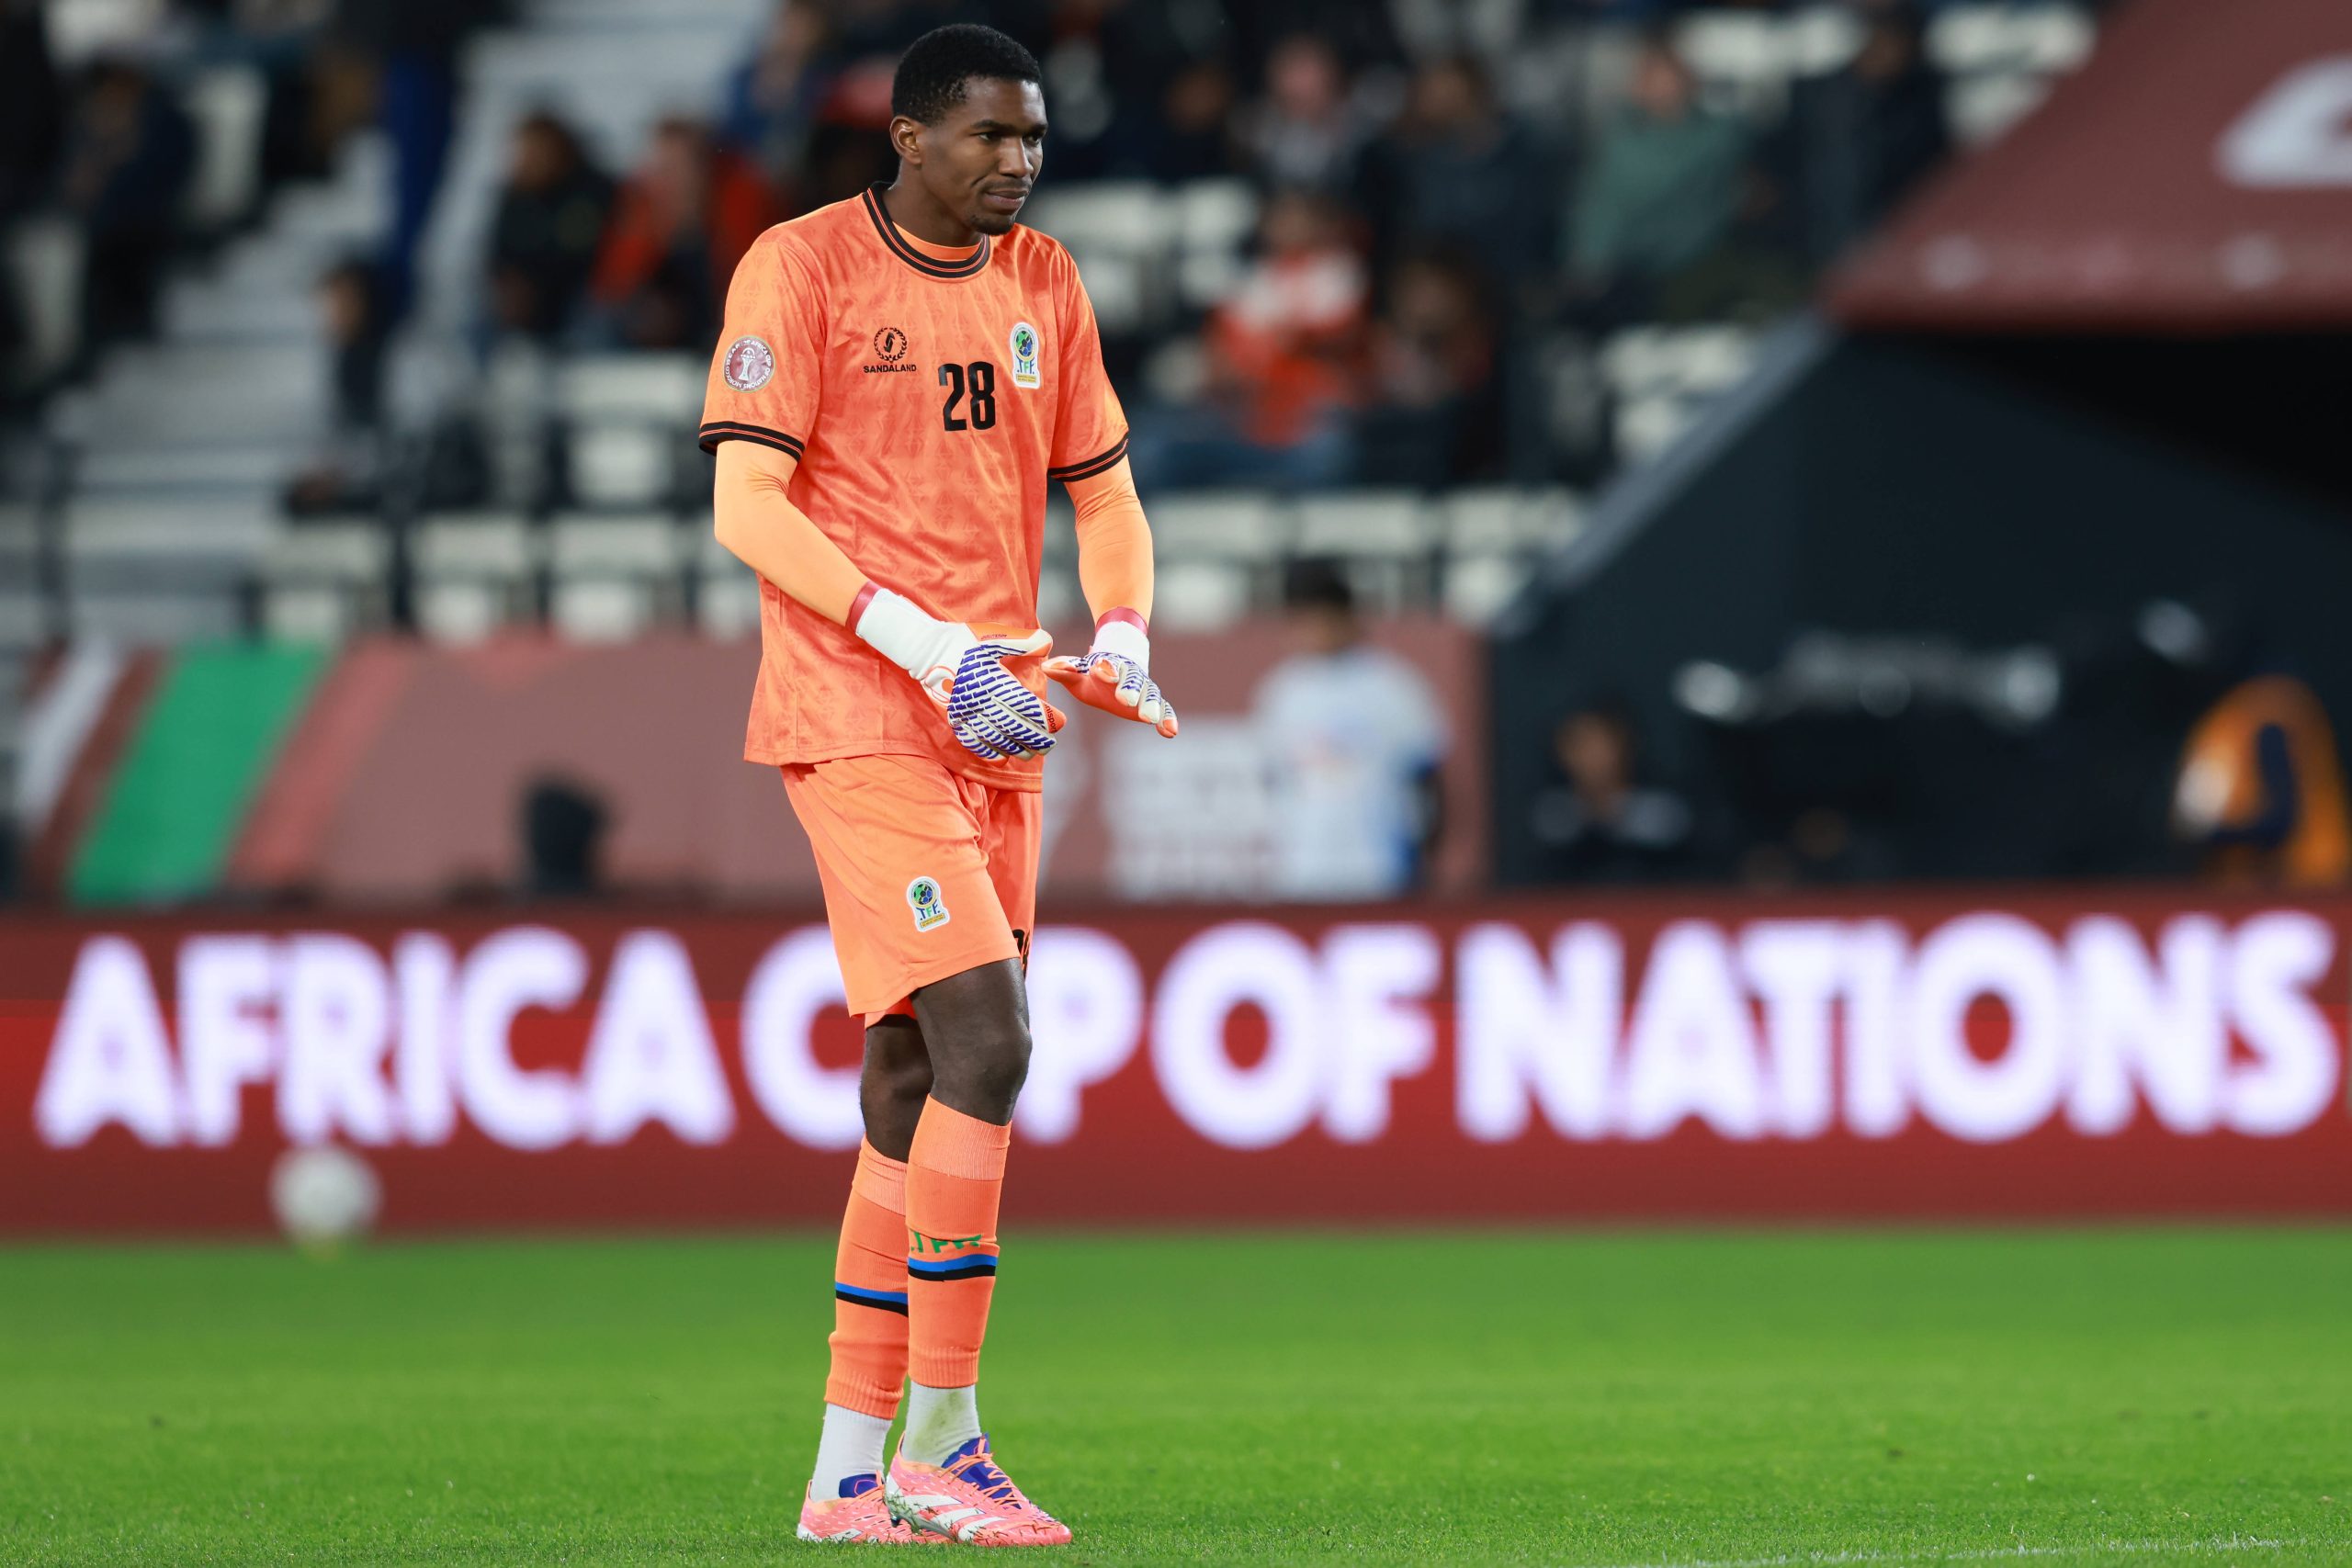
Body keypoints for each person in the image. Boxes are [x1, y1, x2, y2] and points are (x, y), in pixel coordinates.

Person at [700, 23, 1176, 1547]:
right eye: (989, 137)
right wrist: (920, 641)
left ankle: (844, 1475)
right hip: (861, 704)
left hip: (999, 720)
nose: (1019, 163)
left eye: (1034, 139)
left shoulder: (1047, 283)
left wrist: (1122, 629)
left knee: (909, 1076)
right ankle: (943, 1443)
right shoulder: (801, 269)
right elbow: (744, 503)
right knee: (990, 1032)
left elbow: (1101, 488)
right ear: (909, 140)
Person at [1253, 559, 1446, 898]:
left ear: (1347, 616)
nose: (1313, 630)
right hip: (1303, 874)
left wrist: (1421, 861)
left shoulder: (1392, 685)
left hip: (1380, 872)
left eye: (1323, 617)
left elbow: (1430, 782)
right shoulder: (1283, 691)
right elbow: (1273, 781)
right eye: (1302, 619)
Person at [485, 111, 614, 344]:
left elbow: (587, 255)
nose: (529, 158)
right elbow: (497, 255)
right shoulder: (515, 196)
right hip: (521, 305)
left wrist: (537, 288)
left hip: (578, 299)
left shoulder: (591, 192)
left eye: (536, 149)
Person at [1528, 703, 1693, 882]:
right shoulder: (1548, 815)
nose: (1591, 757)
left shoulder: (1666, 811)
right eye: (1579, 745)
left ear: (1623, 746)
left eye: (1600, 744)